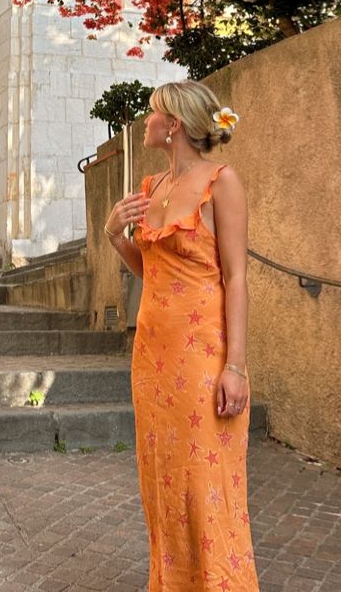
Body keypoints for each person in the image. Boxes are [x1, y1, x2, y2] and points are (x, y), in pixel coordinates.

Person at [103, 80, 260, 592]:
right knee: (163, 479)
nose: (144, 122)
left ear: (173, 125)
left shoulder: (222, 182)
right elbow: (154, 274)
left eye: (152, 114)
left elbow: (235, 276)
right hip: (152, 356)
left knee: (203, 480)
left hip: (203, 356)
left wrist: (235, 366)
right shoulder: (152, 189)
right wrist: (114, 237)